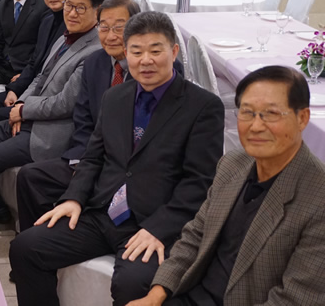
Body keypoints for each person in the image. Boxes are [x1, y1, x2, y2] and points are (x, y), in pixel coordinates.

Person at [9, 11, 225, 306]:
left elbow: (200, 182)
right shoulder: (115, 97)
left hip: (153, 219)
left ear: (174, 51)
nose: (145, 60)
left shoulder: (203, 107)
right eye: (136, 51)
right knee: (26, 247)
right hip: (104, 212)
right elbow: (93, 157)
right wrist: (73, 198)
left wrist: (159, 228)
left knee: (133, 283)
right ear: (126, 53)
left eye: (155, 51)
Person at [129, 66, 325, 306]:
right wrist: (155, 296)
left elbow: (296, 299)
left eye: (271, 114)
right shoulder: (233, 164)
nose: (256, 126)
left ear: (302, 118)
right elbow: (195, 236)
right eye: (247, 112)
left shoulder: (318, 198)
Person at [16, 0, 184, 230]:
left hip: (132, 167)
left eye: (119, 27)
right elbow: (84, 120)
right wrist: (80, 162)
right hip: (93, 157)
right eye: (104, 27)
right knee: (30, 177)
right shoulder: (95, 61)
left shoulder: (157, 69)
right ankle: (44, 232)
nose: (110, 35)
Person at [0, 0, 103, 238]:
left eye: (80, 8)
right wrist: (20, 104)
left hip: (49, 132)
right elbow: (40, 78)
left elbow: (65, 103)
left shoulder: (94, 51)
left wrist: (24, 111)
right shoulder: (65, 38)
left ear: (97, 11)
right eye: (69, 6)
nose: (71, 13)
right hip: (30, 117)